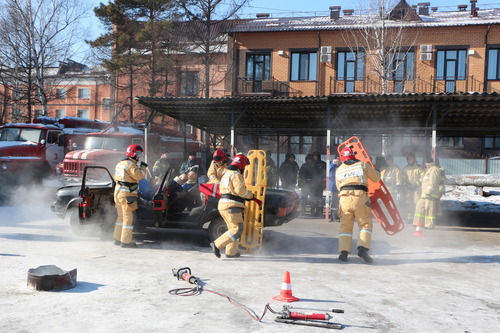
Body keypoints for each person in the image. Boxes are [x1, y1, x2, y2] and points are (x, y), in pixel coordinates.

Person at [210, 153, 262, 259]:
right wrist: (253, 197)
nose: (245, 167)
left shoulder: (226, 173)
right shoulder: (236, 174)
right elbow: (241, 191)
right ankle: (217, 244)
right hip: (232, 205)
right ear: (241, 165)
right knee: (237, 229)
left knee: (232, 228)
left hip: (224, 204)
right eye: (245, 165)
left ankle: (231, 252)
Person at [336, 146, 381, 264]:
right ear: (353, 155)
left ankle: (344, 252)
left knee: (345, 227)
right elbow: (376, 178)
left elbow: (338, 186)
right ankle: (362, 248)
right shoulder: (362, 165)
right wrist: (377, 171)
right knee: (365, 224)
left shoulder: (339, 169)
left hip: (344, 199)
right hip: (359, 198)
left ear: (342, 157)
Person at [113, 144, 147, 248]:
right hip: (127, 195)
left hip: (118, 193)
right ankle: (126, 242)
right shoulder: (131, 165)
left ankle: (117, 238)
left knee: (121, 217)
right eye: (138, 154)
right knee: (128, 218)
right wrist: (143, 167)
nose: (139, 156)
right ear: (132, 153)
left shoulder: (120, 163)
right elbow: (139, 176)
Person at [413, 157, 445, 229]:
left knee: (429, 210)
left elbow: (433, 182)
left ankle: (429, 225)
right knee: (419, 206)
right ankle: (418, 223)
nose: (425, 164)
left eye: (426, 163)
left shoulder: (434, 170)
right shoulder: (428, 170)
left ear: (429, 163)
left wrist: (429, 191)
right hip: (424, 194)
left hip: (430, 194)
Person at [403, 152, 424, 222]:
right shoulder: (405, 168)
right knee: (408, 203)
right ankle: (409, 218)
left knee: (417, 203)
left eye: (411, 159)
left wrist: (417, 184)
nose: (410, 160)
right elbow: (403, 178)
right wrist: (406, 184)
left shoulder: (419, 168)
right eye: (409, 159)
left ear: (414, 159)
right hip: (408, 189)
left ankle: (417, 220)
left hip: (416, 190)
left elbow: (423, 177)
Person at [311, 152, 327, 216]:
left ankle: (319, 210)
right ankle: (313, 210)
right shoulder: (311, 164)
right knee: (313, 197)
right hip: (312, 184)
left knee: (319, 198)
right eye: (314, 156)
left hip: (320, 184)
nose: (315, 157)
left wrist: (323, 182)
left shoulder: (323, 164)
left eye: (316, 156)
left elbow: (325, 173)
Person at [328, 155, 340, 221]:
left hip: (339, 187)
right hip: (334, 187)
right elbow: (331, 175)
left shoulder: (340, 166)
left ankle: (336, 216)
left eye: (339, 159)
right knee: (333, 202)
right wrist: (333, 164)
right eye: (337, 159)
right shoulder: (332, 166)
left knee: (338, 202)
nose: (338, 160)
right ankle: (333, 216)